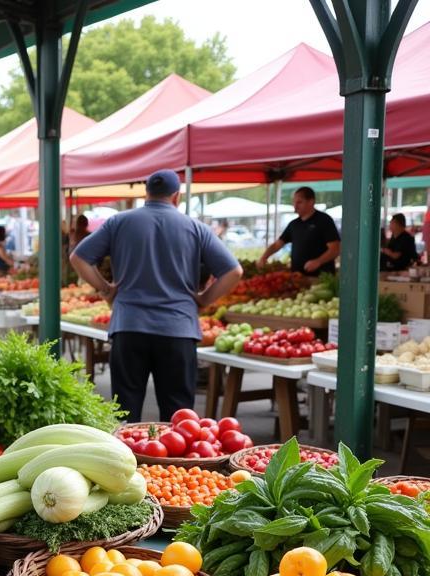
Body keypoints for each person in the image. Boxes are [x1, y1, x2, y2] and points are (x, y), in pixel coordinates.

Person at [70, 168, 243, 423]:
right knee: (179, 418)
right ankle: (175, 464)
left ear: (146, 193)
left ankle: (125, 462)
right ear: (177, 196)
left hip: (129, 326)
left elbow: (78, 258)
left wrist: (106, 288)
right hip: (178, 329)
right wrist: (204, 299)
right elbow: (234, 271)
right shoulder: (196, 228)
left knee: (125, 414)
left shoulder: (119, 222)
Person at [258, 186, 340, 275]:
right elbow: (278, 244)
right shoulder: (294, 224)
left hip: (320, 278)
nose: (295, 206)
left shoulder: (324, 220)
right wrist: (264, 257)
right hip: (298, 277)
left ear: (311, 202)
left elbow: (335, 249)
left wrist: (318, 261)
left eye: (299, 202)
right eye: (294, 202)